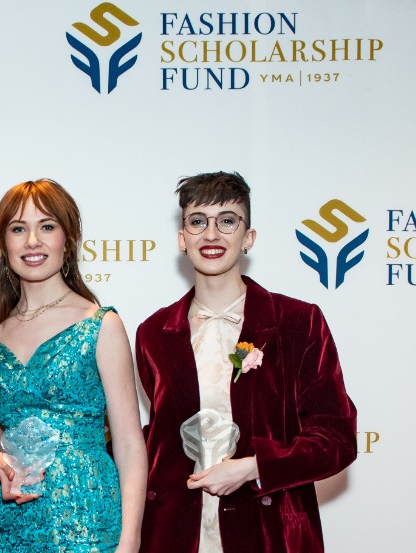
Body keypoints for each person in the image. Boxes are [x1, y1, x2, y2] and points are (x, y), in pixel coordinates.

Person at [136, 171, 357, 552]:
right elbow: (158, 439)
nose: (211, 234)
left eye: (227, 221)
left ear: (248, 237)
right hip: (176, 533)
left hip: (268, 532)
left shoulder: (297, 322)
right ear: (182, 239)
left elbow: (336, 439)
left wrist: (255, 467)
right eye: (198, 222)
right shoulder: (154, 332)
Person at [0, 179, 146, 553]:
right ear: (3, 244)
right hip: (17, 521)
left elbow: (129, 444)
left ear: (67, 240)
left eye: (47, 226)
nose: (32, 241)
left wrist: (130, 540)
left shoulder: (100, 325)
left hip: (91, 518)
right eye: (18, 229)